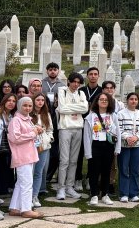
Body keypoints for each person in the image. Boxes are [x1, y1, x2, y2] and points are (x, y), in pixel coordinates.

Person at [6, 96, 43, 218]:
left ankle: (15, 207)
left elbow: (29, 134)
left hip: (29, 154)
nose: (28, 108)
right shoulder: (16, 120)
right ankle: (26, 209)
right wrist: (33, 133)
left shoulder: (27, 119)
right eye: (25, 105)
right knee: (27, 183)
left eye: (30, 106)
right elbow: (15, 138)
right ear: (19, 106)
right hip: (22, 156)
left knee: (21, 183)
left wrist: (37, 130)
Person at [55, 72, 88, 200]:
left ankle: (70, 186)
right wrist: (77, 108)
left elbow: (85, 108)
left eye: (78, 82)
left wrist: (71, 108)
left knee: (74, 160)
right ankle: (61, 188)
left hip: (78, 128)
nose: (76, 84)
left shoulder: (81, 93)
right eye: (74, 81)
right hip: (65, 128)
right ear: (68, 81)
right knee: (64, 160)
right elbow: (62, 109)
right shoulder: (62, 91)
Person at [114, 92, 139, 203]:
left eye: (135, 99)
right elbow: (118, 128)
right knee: (124, 169)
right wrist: (127, 138)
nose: (133, 101)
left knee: (135, 169)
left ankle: (134, 193)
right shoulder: (120, 114)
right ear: (127, 100)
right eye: (131, 99)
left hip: (137, 145)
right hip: (124, 146)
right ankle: (124, 194)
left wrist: (136, 137)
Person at [83, 92, 116, 205]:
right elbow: (87, 135)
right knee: (94, 171)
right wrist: (88, 152)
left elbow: (118, 133)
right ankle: (94, 195)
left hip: (108, 145)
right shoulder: (90, 117)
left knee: (106, 171)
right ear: (97, 101)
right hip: (95, 145)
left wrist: (117, 148)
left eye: (106, 100)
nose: (103, 101)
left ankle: (105, 194)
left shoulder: (112, 116)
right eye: (101, 99)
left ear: (109, 102)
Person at [31, 93, 54, 206]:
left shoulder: (46, 114)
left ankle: (35, 196)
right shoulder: (29, 114)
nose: (40, 102)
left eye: (42, 100)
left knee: (39, 172)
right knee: (30, 172)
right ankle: (27, 196)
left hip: (43, 147)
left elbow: (50, 130)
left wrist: (48, 139)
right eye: (38, 100)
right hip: (31, 147)